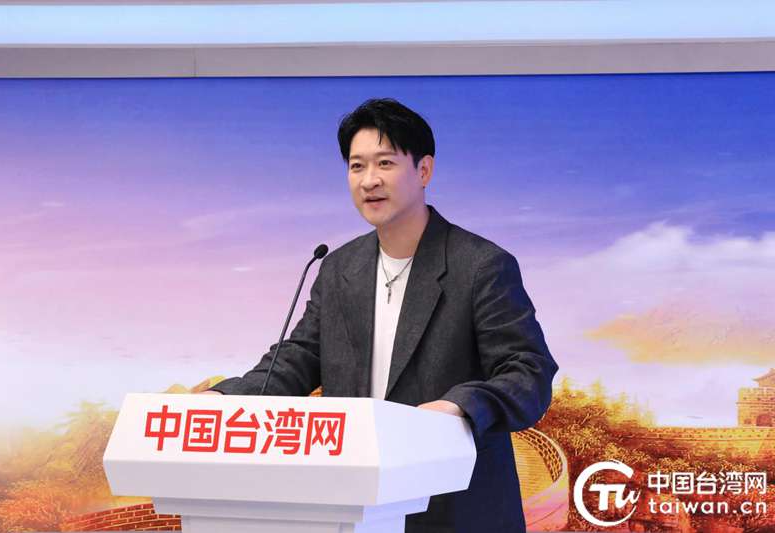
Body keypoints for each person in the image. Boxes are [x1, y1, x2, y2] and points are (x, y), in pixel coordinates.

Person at [206, 98, 558, 533]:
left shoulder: (481, 265)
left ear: (424, 170)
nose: (369, 180)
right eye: (357, 166)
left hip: (455, 508)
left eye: (385, 163)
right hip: (354, 508)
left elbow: (527, 371)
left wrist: (458, 408)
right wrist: (226, 400)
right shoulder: (339, 268)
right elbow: (298, 358)